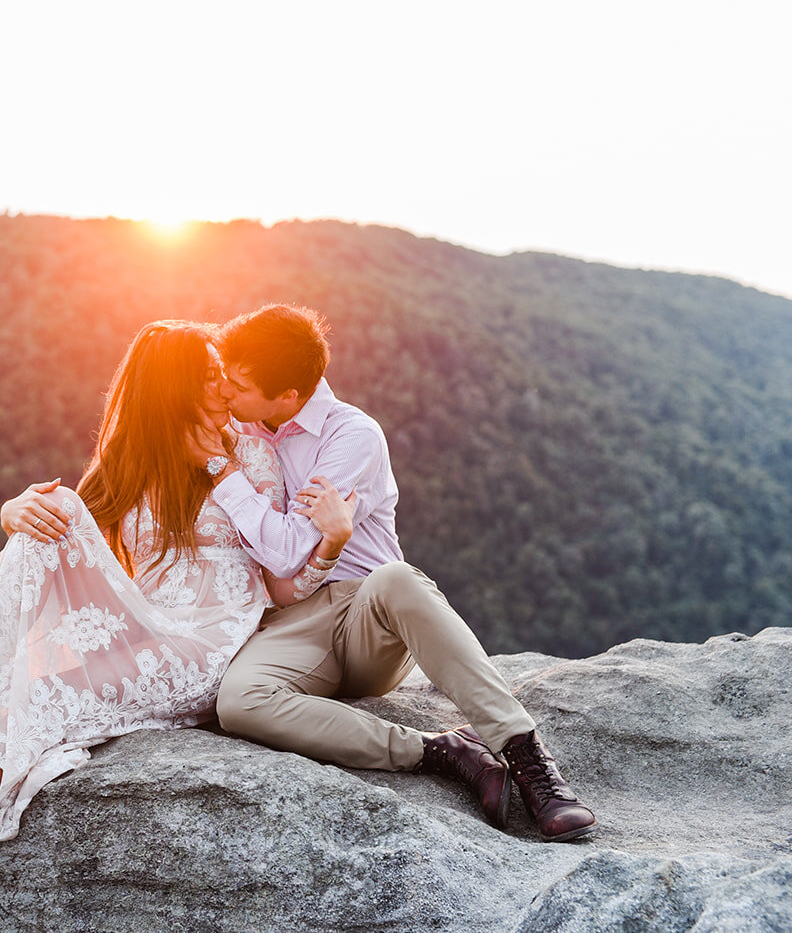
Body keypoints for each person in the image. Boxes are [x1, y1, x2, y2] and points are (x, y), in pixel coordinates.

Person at [0, 320, 354, 888]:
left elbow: (279, 581)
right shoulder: (134, 461)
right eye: (208, 376)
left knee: (50, 696)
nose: (224, 385)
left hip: (207, 647)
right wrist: (12, 512)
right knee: (53, 508)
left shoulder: (253, 458)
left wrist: (327, 548)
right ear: (172, 389)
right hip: (141, 622)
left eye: (223, 374)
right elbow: (59, 541)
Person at [192, 304, 596, 843]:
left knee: (398, 578)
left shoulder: (351, 437)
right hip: (290, 620)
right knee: (238, 702)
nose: (227, 395)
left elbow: (289, 551)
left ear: (289, 396)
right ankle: (442, 752)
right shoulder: (239, 426)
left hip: (369, 615)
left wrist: (224, 476)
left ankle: (527, 758)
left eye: (238, 385)